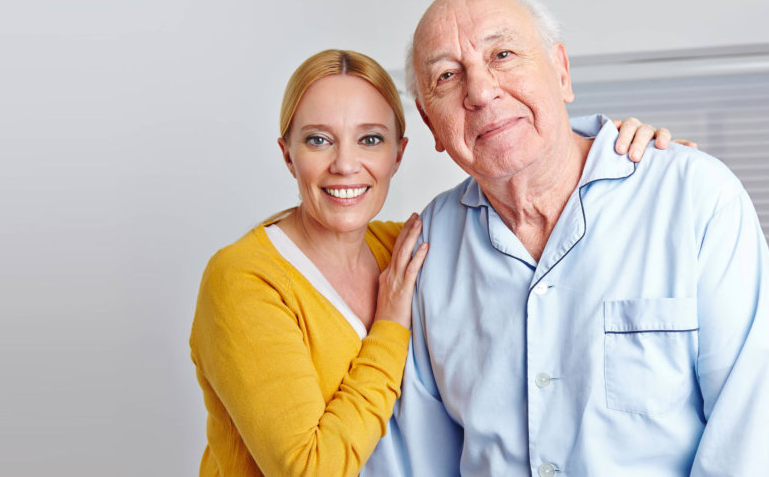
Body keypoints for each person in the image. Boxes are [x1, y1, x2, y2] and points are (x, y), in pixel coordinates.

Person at [190, 48, 692, 477]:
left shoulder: (411, 246)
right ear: (287, 154)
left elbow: (534, 219)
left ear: (399, 153)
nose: (346, 164)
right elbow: (309, 468)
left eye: (370, 139)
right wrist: (389, 328)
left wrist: (639, 167)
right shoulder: (245, 278)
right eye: (318, 139)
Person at [365, 0, 769, 476]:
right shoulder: (428, 249)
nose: (481, 92)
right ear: (430, 123)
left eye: (503, 55)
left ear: (562, 72)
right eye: (447, 76)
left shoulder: (696, 196)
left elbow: (751, 440)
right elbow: (419, 462)